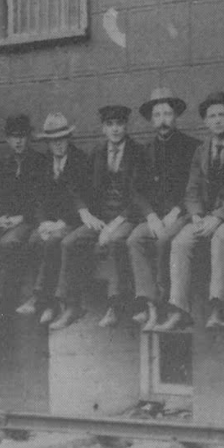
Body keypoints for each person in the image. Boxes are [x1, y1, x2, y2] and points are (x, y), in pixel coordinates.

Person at [52, 105, 148, 330]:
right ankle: (72, 305)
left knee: (115, 241)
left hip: (127, 218)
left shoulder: (139, 153)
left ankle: (115, 305)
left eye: (120, 124)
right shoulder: (96, 153)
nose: (115, 129)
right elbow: (77, 189)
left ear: (126, 126)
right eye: (110, 125)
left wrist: (115, 224)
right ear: (104, 128)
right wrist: (85, 212)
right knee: (69, 242)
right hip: (100, 218)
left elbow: (139, 195)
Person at [166, 91, 224, 331]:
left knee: (219, 238)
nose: (217, 120)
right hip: (204, 216)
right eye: (212, 116)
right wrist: (196, 214)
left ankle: (217, 307)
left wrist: (217, 217)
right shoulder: (201, 149)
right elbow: (192, 189)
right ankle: (180, 309)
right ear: (205, 121)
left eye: (222, 115)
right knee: (181, 241)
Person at [127, 88, 200, 331]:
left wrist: (175, 212)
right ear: (151, 120)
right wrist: (150, 216)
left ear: (176, 116)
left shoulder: (192, 147)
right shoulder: (144, 151)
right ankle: (150, 305)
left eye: (167, 114)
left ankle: (168, 302)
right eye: (157, 115)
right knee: (136, 238)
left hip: (182, 214)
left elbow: (193, 186)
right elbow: (136, 190)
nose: (163, 121)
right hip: (156, 216)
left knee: (165, 240)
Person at [0, 114, 49, 323]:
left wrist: (21, 217)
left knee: (8, 243)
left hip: (26, 221)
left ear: (29, 137)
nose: (18, 141)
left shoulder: (40, 162)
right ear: (7, 139)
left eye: (22, 136)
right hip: (5, 221)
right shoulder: (2, 165)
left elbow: (42, 200)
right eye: (14, 137)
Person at [19, 113, 92, 328]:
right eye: (53, 141)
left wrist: (60, 223)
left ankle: (48, 298)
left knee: (54, 241)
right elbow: (38, 199)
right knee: (35, 239)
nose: (58, 145)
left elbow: (84, 199)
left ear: (68, 139)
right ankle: (47, 303)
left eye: (62, 139)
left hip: (75, 221)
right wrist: (42, 223)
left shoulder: (81, 161)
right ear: (48, 143)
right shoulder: (44, 165)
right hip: (51, 222)